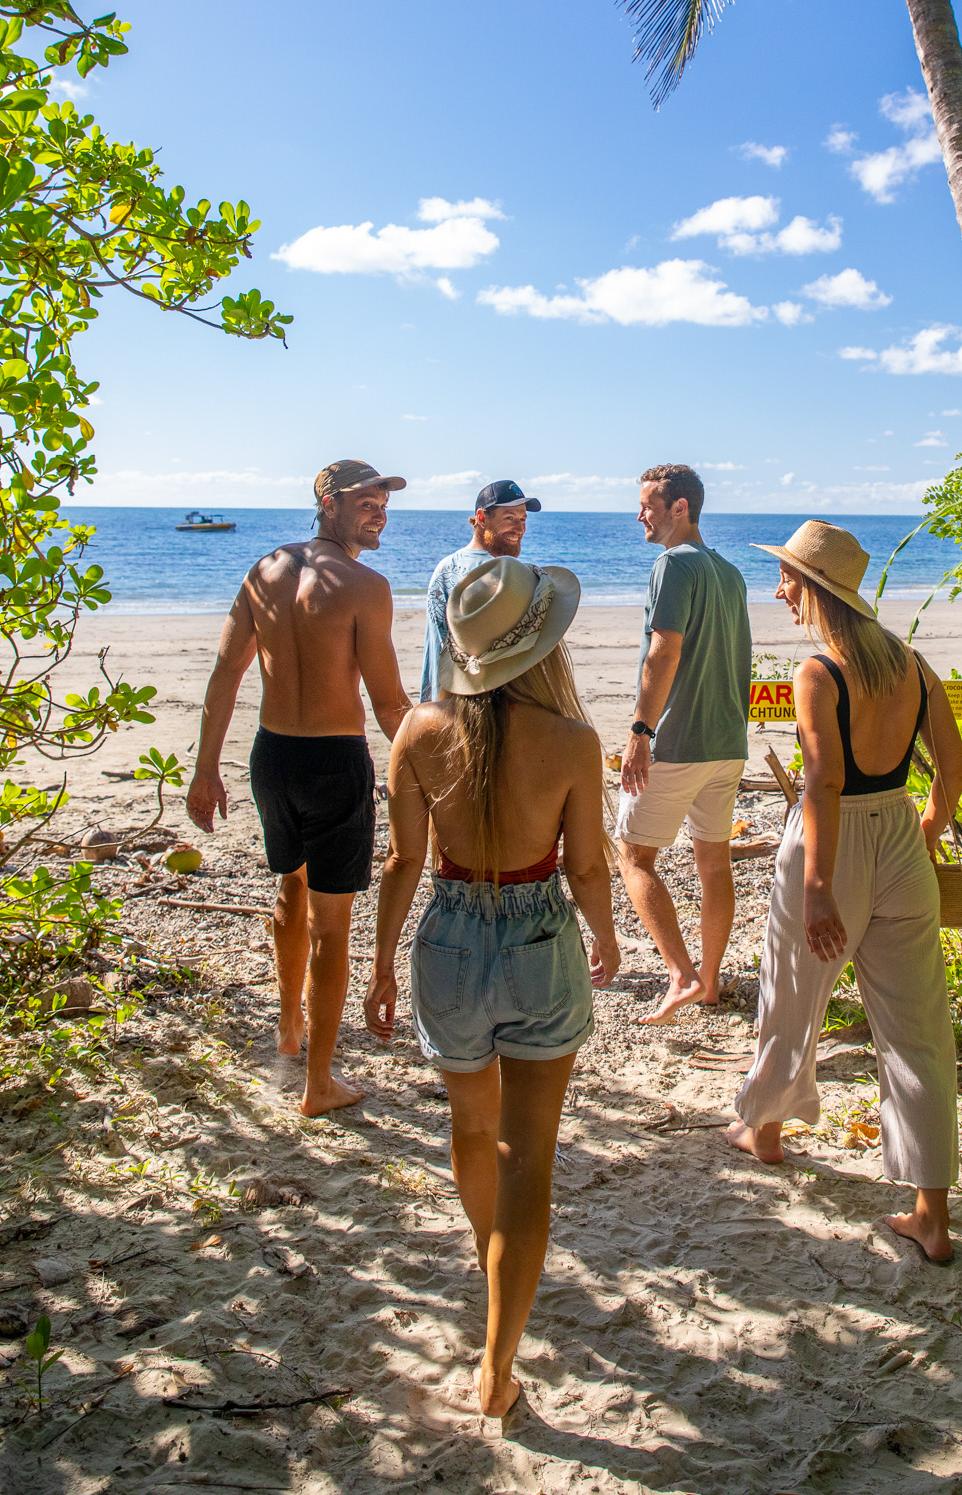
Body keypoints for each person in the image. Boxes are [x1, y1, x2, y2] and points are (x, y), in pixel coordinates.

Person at [364, 555, 619, 1421]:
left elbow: (400, 861)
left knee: (471, 1128)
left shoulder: (418, 731)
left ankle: (491, 1261)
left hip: (446, 933)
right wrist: (611, 935)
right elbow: (585, 865)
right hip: (538, 934)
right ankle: (496, 1365)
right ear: (541, 645)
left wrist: (378, 964)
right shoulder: (573, 740)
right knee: (529, 1159)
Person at [727, 521, 962, 1267]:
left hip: (831, 842)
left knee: (792, 994)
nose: (778, 589)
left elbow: (825, 782)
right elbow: (952, 769)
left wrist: (820, 884)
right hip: (898, 830)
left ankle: (764, 1130)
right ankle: (930, 1213)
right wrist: (923, 833)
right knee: (916, 1028)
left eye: (787, 579)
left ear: (813, 590)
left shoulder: (817, 672)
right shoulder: (912, 663)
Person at [186, 460, 413, 1118]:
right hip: (334, 762)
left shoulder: (264, 570)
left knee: (291, 887)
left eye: (382, 504)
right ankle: (318, 1082)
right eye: (367, 503)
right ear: (329, 501)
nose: (379, 514)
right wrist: (431, 768)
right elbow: (390, 704)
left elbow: (226, 674)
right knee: (332, 927)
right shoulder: (365, 587)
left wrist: (206, 769)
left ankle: (289, 1028)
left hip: (271, 758)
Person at [615, 463, 751, 1025]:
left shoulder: (673, 563)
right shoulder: (729, 572)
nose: (639, 514)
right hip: (727, 741)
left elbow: (663, 651)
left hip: (678, 741)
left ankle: (681, 975)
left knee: (633, 855)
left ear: (680, 508)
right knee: (713, 862)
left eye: (648, 504)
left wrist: (640, 732)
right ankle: (711, 982)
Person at [420, 479, 542, 700]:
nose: (520, 528)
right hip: (486, 707)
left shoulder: (445, 567)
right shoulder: (509, 575)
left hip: (444, 701)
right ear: (482, 517)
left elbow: (438, 646)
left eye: (523, 519)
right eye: (510, 518)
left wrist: (433, 706)